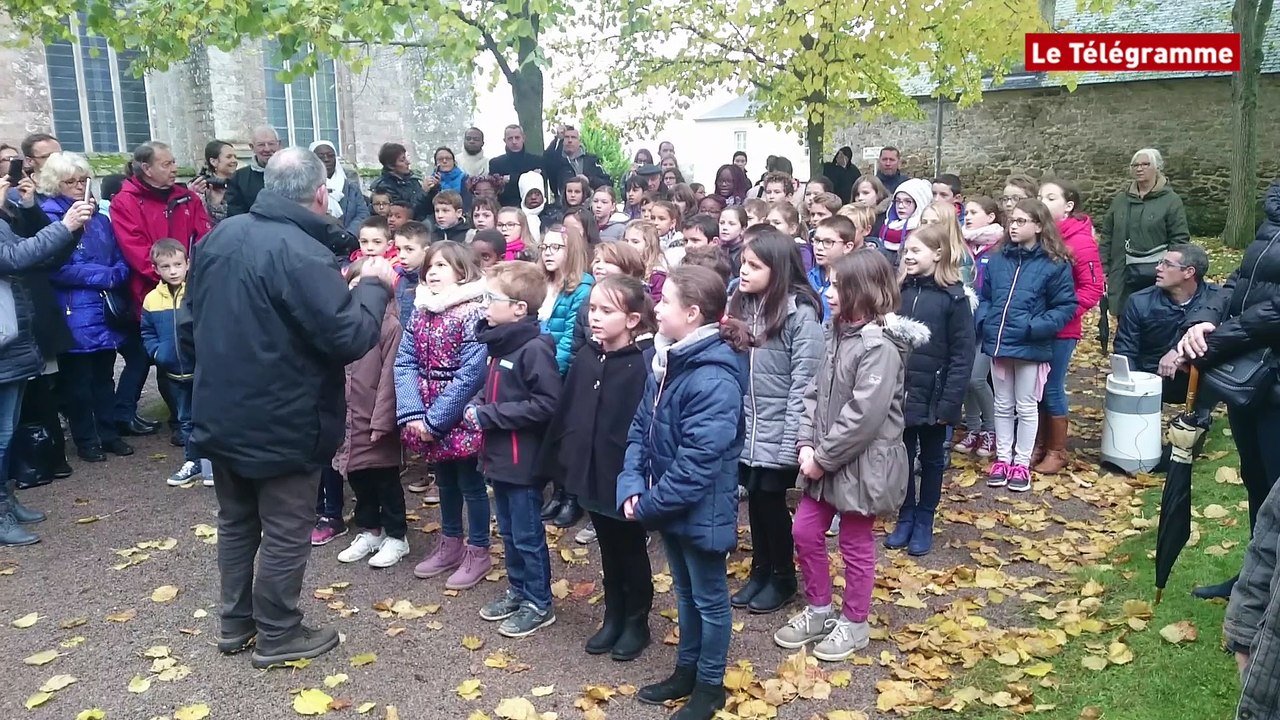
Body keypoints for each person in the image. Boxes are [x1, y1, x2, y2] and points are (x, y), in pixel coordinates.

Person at [184, 146, 398, 667]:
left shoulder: (221, 236)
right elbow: (349, 337)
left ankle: (235, 623)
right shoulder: (300, 251)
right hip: (283, 418)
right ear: (321, 194)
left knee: (236, 521)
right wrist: (373, 287)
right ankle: (278, 632)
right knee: (283, 526)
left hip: (221, 409)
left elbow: (187, 326)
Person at [775, 249, 919, 661]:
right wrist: (805, 443)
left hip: (862, 466)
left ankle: (855, 622)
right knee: (804, 531)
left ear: (865, 290)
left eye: (838, 284)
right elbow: (814, 393)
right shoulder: (833, 333)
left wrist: (821, 458)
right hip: (824, 458)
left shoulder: (880, 348)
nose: (828, 291)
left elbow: (863, 416)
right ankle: (819, 609)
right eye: (828, 282)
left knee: (855, 544)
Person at [619, 265, 749, 720]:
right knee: (685, 592)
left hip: (698, 509)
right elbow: (641, 429)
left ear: (692, 313)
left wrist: (649, 506)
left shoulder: (712, 377)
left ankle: (709, 686)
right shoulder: (668, 359)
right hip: (667, 505)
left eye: (665, 302)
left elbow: (696, 465)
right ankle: (686, 670)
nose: (656, 307)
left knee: (709, 601)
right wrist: (632, 485)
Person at [542, 275, 656, 660]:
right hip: (589, 471)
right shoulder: (588, 356)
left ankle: (637, 619)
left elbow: (644, 428)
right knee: (607, 546)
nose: (596, 317)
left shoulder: (642, 365)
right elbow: (570, 412)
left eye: (607, 311)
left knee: (630, 548)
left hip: (621, 474)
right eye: (593, 309)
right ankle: (614, 613)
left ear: (633, 319)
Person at [1176, 178, 1280, 601]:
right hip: (1252, 378)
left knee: (1277, 489)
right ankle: (1255, 581)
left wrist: (1217, 341)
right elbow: (1240, 280)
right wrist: (1206, 320)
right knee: (1257, 481)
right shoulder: (1273, 218)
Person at [728, 230, 824, 615]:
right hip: (750, 426)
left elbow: (806, 382)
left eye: (754, 265)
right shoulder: (745, 305)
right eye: (743, 263)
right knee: (755, 501)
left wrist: (792, 442)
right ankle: (761, 568)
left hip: (779, 427)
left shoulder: (800, 313)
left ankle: (783, 575)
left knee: (770, 503)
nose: (744, 270)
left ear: (778, 268)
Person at [465, 261, 561, 638]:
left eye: (492, 299)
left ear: (520, 308)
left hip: (522, 461)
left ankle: (539, 602)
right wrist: (478, 404)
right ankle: (519, 591)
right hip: (499, 457)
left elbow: (547, 404)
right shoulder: (500, 343)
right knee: (507, 530)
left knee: (526, 534)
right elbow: (494, 389)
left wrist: (489, 415)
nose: (484, 305)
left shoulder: (533, 349)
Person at [0, 181, 93, 546]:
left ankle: (6, 501)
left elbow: (40, 257)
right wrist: (65, 224)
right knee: (0, 437)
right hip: (5, 340)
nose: (8, 181)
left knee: (5, 434)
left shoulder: (6, 219)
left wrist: (65, 226)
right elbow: (14, 259)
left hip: (14, 339)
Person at [397, 241, 490, 586]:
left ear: (462, 273)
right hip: (424, 409)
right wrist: (413, 413)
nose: (433, 273)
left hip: (459, 412)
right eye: (430, 267)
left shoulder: (472, 314)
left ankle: (478, 550)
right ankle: (450, 543)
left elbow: (472, 373)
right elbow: (405, 361)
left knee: (471, 483)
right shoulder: (422, 311)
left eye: (442, 266)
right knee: (445, 481)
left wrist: (435, 420)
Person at [111, 141, 212, 443]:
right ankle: (180, 420)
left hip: (192, 287)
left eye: (173, 162)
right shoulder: (125, 202)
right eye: (166, 164)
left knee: (195, 353)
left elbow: (205, 237)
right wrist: (169, 273)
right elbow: (136, 249)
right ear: (146, 168)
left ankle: (196, 419)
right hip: (152, 293)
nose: (174, 169)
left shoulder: (186, 198)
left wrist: (194, 273)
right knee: (168, 356)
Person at [883, 224, 975, 556]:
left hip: (935, 395)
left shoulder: (954, 299)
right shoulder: (899, 292)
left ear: (938, 255)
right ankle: (905, 515)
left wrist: (950, 403)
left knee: (933, 459)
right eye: (906, 250)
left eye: (916, 251)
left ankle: (925, 518)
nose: (908, 255)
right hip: (902, 392)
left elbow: (963, 355)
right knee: (902, 456)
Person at [976, 199, 1077, 493]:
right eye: (1012, 221)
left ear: (1038, 225)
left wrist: (1034, 328)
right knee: (1002, 404)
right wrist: (985, 322)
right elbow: (986, 297)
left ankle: (1021, 461)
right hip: (999, 342)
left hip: (1030, 345)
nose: (1014, 226)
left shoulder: (1054, 264)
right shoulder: (998, 260)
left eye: (1021, 221)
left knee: (1026, 405)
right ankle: (1003, 458)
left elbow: (1065, 305)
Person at [38, 152, 132, 463]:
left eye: (82, 180)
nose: (79, 187)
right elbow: (54, 267)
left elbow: (118, 257)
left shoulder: (100, 219)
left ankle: (108, 434)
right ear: (56, 184)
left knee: (104, 376)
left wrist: (116, 273)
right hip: (71, 309)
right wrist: (106, 276)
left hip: (103, 308)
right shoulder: (49, 217)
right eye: (70, 182)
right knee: (78, 383)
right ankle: (86, 439)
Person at [331, 259, 408, 569]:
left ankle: (396, 535)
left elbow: (391, 375)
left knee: (385, 478)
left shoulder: (389, 326)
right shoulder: (342, 325)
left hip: (374, 417)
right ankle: (370, 529)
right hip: (347, 418)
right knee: (358, 478)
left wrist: (383, 420)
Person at [1034, 179, 1105, 474]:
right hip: (1036, 324)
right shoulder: (1039, 236)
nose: (1043, 201)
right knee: (1034, 386)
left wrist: (1061, 314)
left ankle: (1057, 449)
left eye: (1051, 197)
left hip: (1062, 328)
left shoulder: (1080, 241)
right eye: (1040, 196)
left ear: (1069, 206)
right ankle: (1037, 442)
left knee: (1052, 385)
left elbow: (1092, 288)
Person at [1115, 244, 1219, 404]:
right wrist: (1135, 387)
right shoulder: (1139, 301)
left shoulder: (1217, 299)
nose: (1158, 268)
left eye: (1167, 264)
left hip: (1201, 377)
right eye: (1160, 262)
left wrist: (1181, 353)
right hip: (1150, 377)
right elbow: (1125, 351)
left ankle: (1200, 420)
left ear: (1189, 272)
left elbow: (1228, 337)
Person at [140, 239, 203, 485]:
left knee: (208, 419)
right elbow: (147, 332)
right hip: (174, 373)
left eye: (178, 264)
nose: (173, 271)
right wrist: (157, 353)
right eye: (166, 266)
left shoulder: (197, 294)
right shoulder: (151, 300)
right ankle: (192, 460)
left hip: (201, 371)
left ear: (188, 264)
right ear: (156, 269)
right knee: (185, 419)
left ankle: (214, 464)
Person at [1100, 148, 1191, 315]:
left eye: (1145, 164)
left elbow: (1179, 240)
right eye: (1135, 165)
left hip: (1155, 274)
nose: (1139, 168)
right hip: (1122, 274)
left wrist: (1174, 270)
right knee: (1125, 320)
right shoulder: (1121, 201)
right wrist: (1104, 267)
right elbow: (1107, 235)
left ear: (1157, 167)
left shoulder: (1171, 201)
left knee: (1153, 318)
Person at [953, 196, 1005, 458]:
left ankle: (991, 430)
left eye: (974, 212)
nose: (968, 216)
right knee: (964, 381)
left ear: (992, 217)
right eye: (967, 212)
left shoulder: (999, 248)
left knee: (977, 378)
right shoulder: (963, 246)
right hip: (964, 323)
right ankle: (973, 429)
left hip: (986, 325)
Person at [310, 140, 369, 234]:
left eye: (330, 156)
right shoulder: (306, 188)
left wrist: (347, 235)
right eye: (321, 157)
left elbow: (362, 214)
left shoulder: (351, 188)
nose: (326, 159)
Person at [808, 216, 860, 321]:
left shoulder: (854, 283)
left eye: (828, 242)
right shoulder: (809, 276)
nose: (819, 247)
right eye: (817, 241)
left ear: (847, 247)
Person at [543, 125, 612, 203]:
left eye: (573, 137)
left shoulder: (591, 160)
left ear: (579, 141)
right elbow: (546, 159)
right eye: (566, 137)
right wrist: (557, 139)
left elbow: (608, 183)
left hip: (589, 208)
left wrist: (589, 180)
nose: (570, 140)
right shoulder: (557, 162)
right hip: (563, 208)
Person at [876, 178, 931, 267]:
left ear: (919, 203)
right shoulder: (886, 226)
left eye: (907, 202)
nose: (901, 206)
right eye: (898, 201)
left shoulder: (923, 229)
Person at [226, 126, 279, 216]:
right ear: (252, 147)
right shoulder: (238, 178)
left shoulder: (292, 173)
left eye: (271, 144)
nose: (267, 149)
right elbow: (236, 214)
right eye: (261, 145)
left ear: (279, 144)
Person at [489, 125, 545, 207]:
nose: (514, 141)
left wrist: (511, 178)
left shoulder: (537, 161)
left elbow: (541, 184)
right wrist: (529, 176)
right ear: (505, 140)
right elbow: (495, 188)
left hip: (533, 208)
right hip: (506, 207)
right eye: (510, 138)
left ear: (523, 138)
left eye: (517, 138)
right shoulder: (496, 163)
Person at [370, 142, 426, 211]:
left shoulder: (412, 179)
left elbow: (425, 205)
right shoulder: (384, 187)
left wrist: (433, 189)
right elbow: (404, 211)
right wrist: (423, 191)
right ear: (390, 166)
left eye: (406, 158)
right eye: (402, 160)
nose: (408, 163)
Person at [622, 220, 668, 302]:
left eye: (635, 242)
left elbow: (656, 303)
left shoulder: (657, 275)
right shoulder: (621, 268)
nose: (628, 245)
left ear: (648, 245)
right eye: (626, 241)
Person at [200, 140, 238, 225]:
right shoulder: (203, 187)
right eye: (229, 157)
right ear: (213, 162)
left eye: (235, 157)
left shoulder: (240, 182)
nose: (234, 160)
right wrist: (215, 205)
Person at [717, 206, 747, 278]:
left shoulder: (744, 253)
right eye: (722, 223)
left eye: (731, 224)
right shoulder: (715, 249)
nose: (724, 228)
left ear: (743, 229)